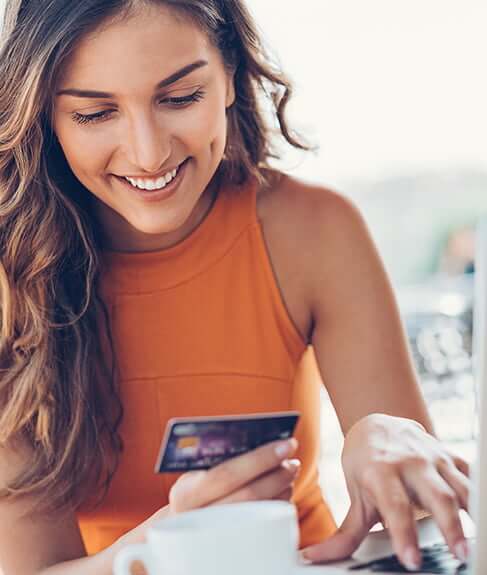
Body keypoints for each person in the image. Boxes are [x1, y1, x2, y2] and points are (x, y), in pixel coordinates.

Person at [0, 1, 470, 573]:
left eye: (180, 98)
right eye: (95, 114)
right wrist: (168, 546)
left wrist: (385, 434)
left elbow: (422, 524)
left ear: (228, 75)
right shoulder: (15, 274)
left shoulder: (312, 229)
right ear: (44, 116)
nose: (148, 153)